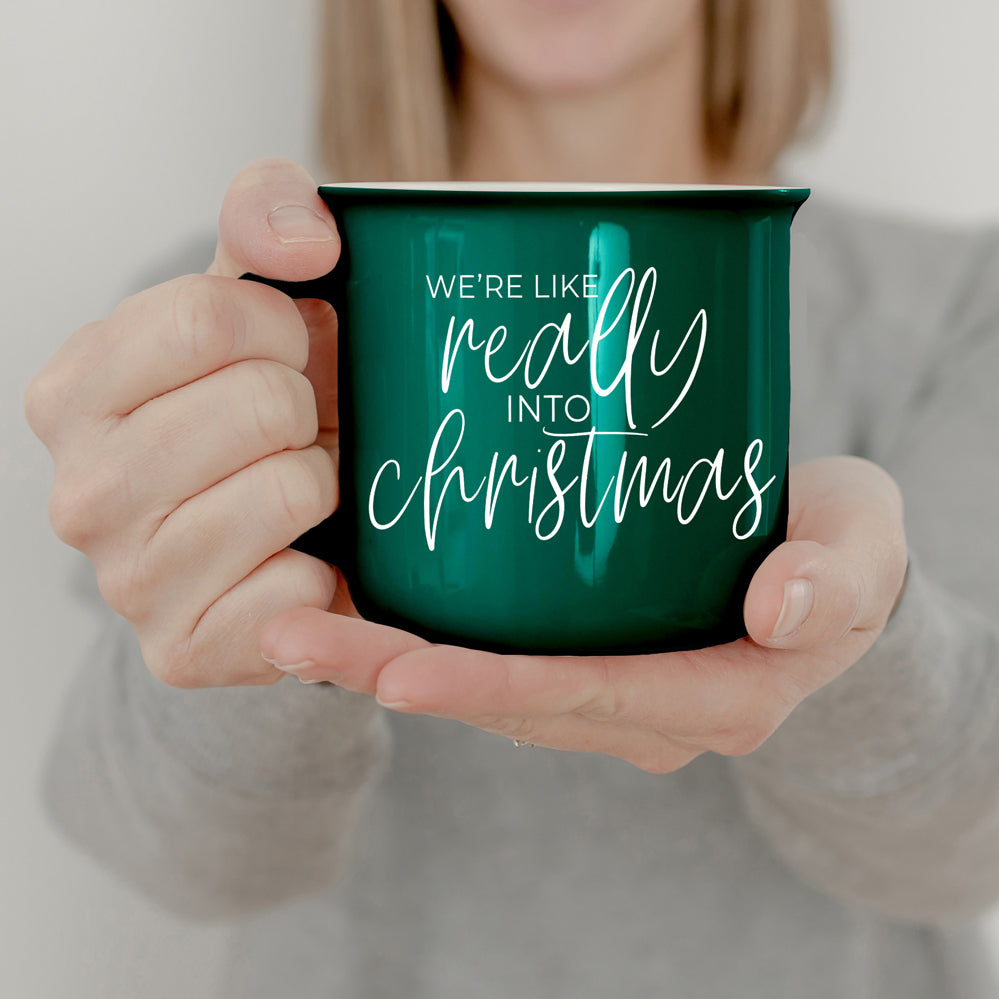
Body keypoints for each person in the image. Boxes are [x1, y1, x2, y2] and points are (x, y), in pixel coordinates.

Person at [24, 1, 999, 996]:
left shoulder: (956, 310)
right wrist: (260, 614)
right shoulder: (239, 330)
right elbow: (168, 858)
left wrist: (859, 644)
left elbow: (973, 843)